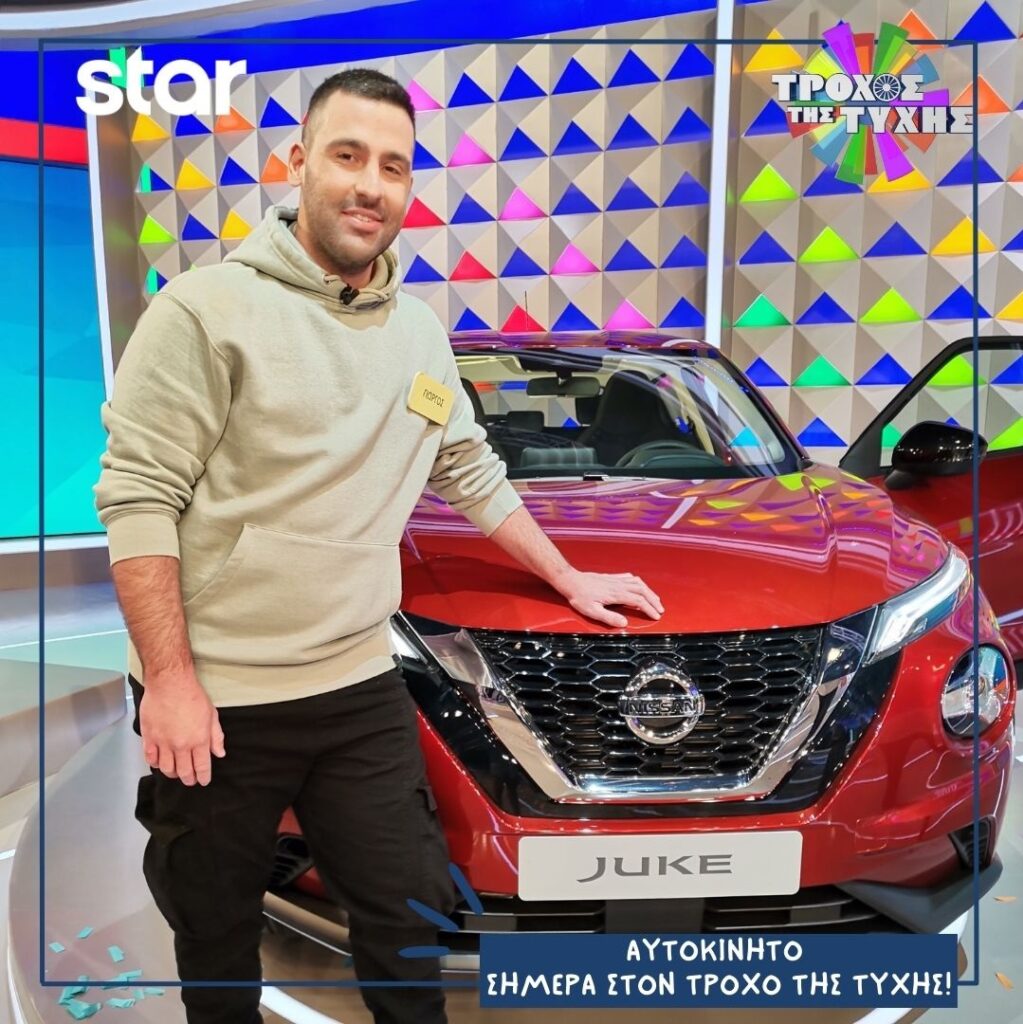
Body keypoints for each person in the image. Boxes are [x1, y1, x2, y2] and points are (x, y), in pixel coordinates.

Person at [94, 68, 663, 1024]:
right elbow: (140, 498)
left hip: (358, 685)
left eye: (393, 167)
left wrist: (570, 575)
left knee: (408, 918)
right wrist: (174, 681)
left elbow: (468, 468)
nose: (369, 185)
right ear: (299, 162)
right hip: (226, 697)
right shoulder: (203, 311)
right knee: (215, 927)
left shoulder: (420, 334)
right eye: (348, 156)